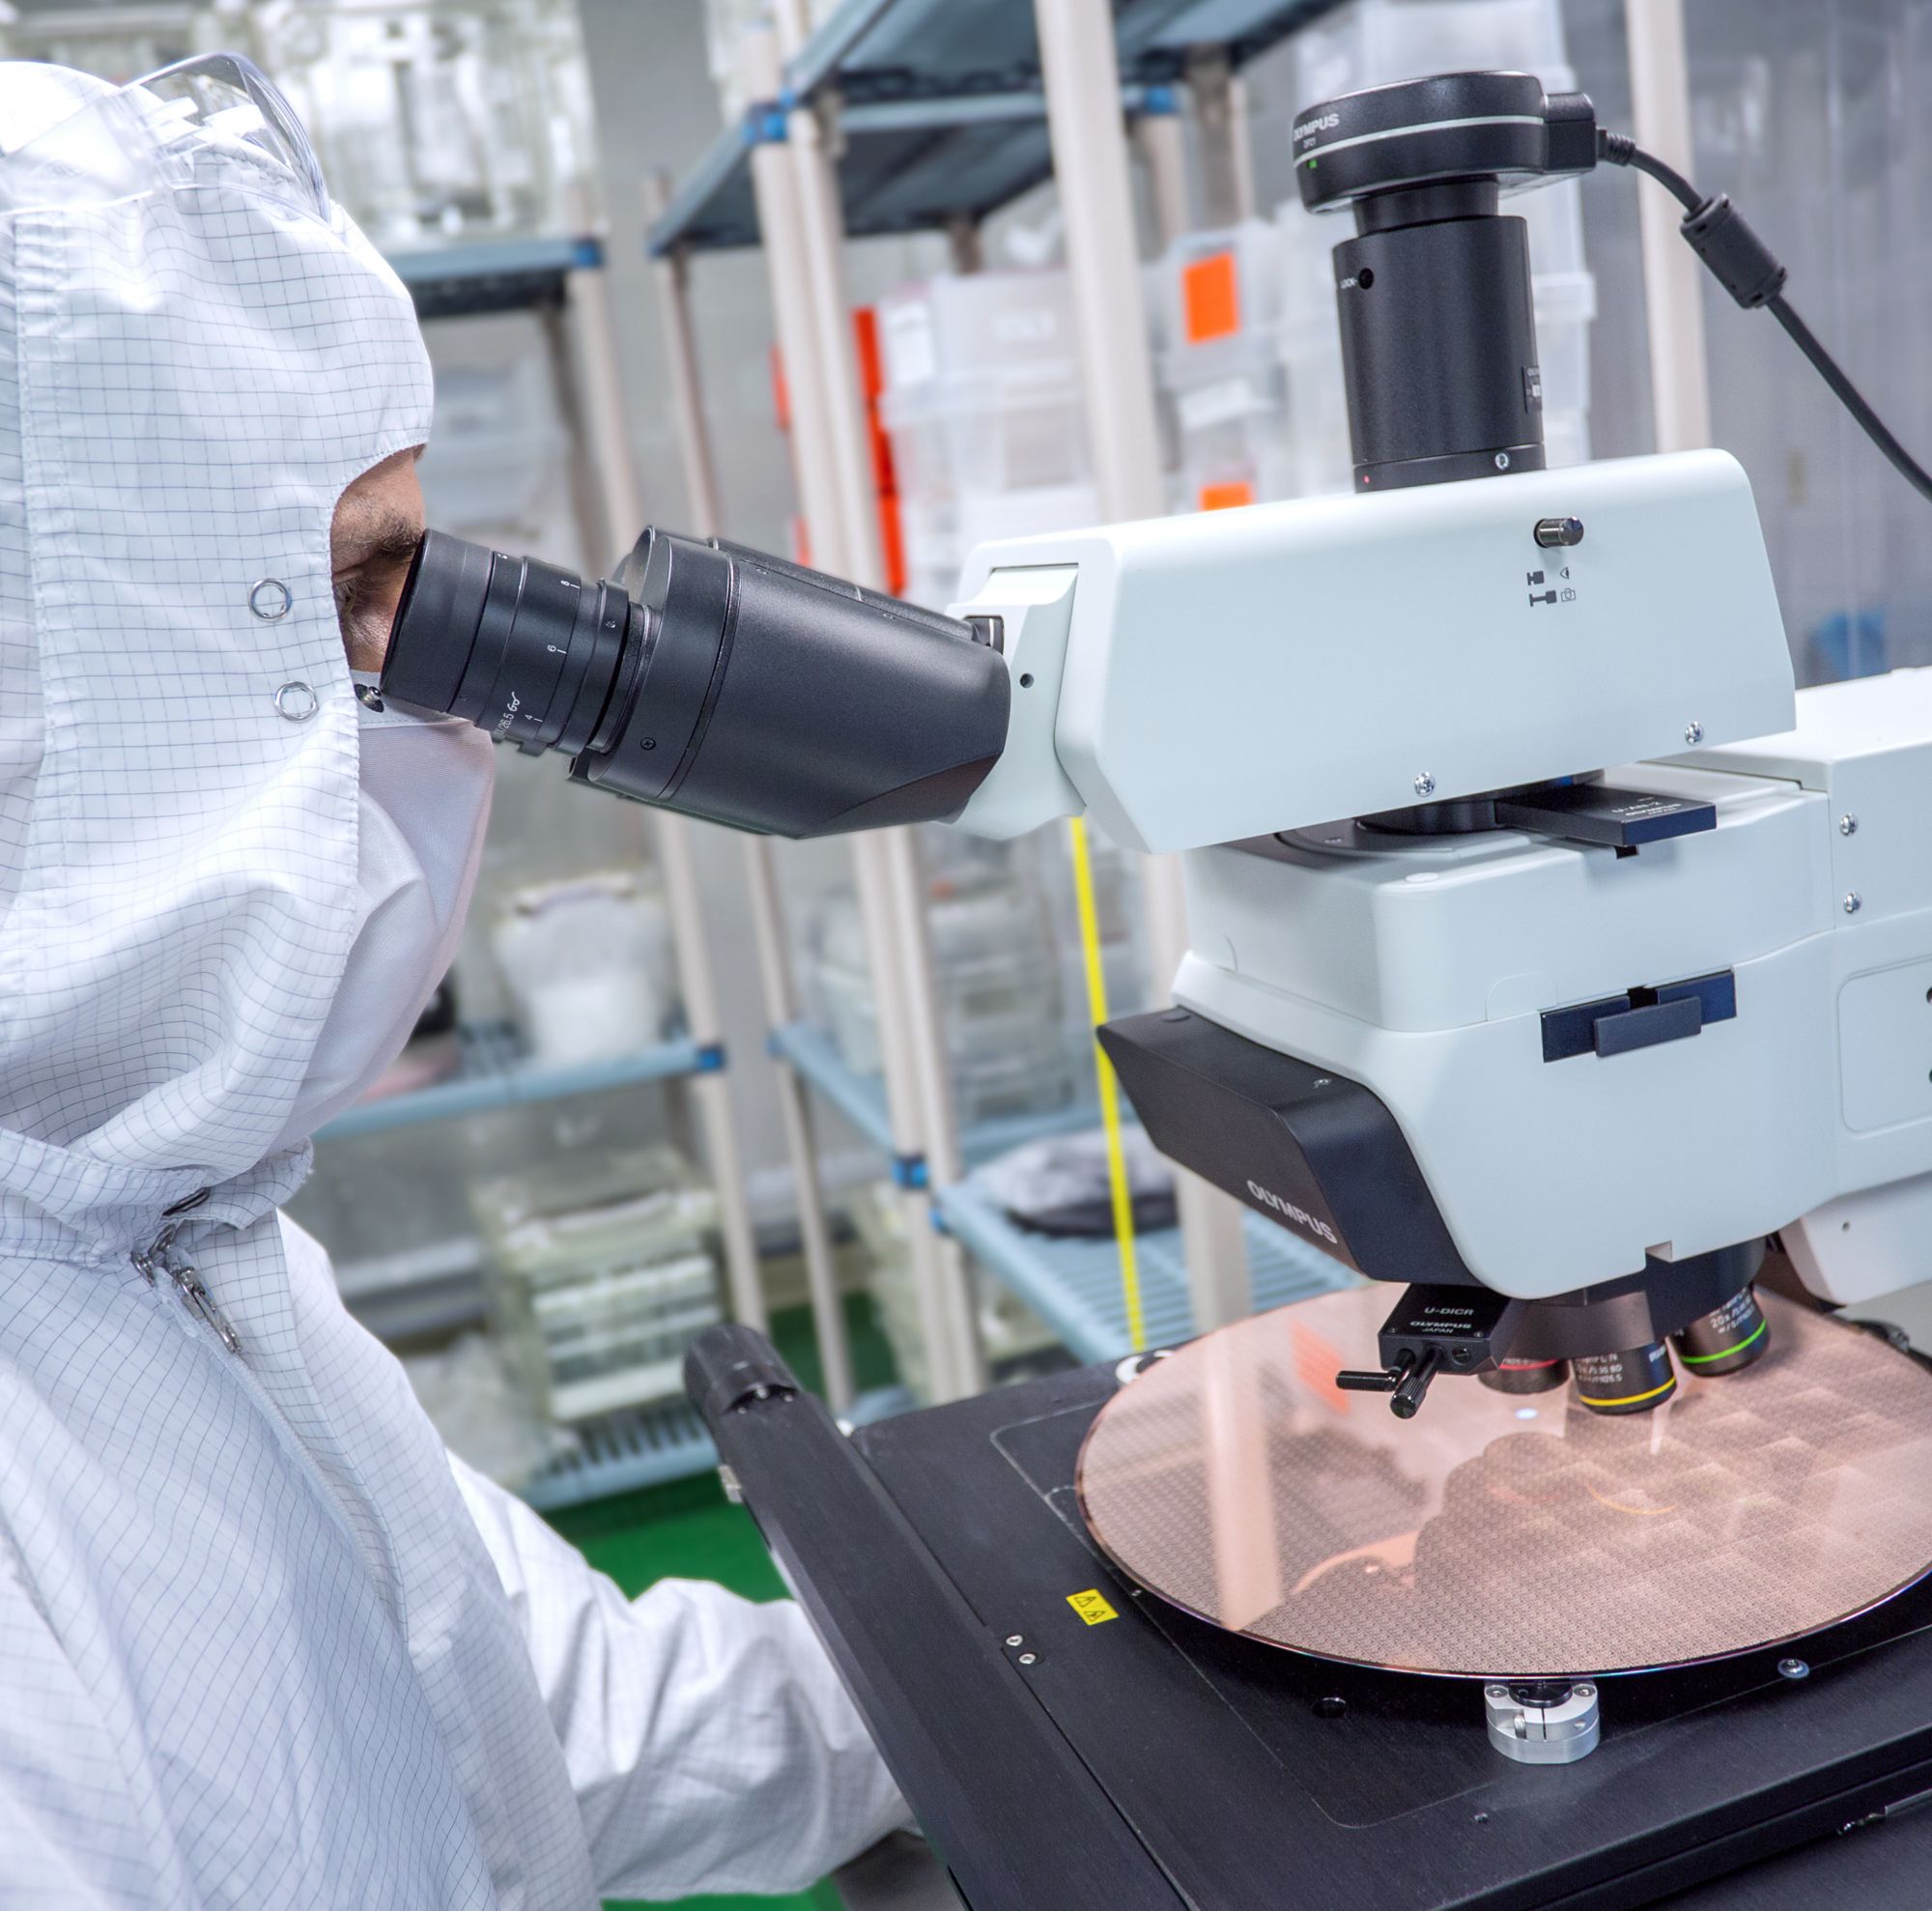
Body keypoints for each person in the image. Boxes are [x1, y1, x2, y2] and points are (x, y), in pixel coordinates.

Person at [0, 54, 907, 1906]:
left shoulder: (159, 1242)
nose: (430, 703)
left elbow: (532, 1724)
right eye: (347, 595)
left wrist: (1102, 1623)